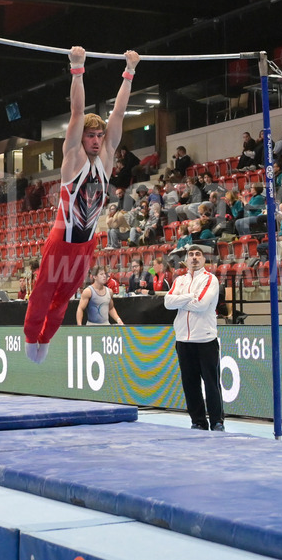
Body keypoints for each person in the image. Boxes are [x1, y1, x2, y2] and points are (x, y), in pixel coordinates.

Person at [24, 47, 140, 364]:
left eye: (99, 136)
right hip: (61, 241)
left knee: (63, 298)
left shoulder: (105, 159)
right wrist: (77, 67)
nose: (97, 140)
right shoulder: (73, 161)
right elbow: (77, 114)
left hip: (85, 245)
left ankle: (45, 338)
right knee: (43, 294)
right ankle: (30, 335)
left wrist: (129, 71)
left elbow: (118, 113)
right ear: (81, 138)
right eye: (91, 136)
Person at [163, 245, 223, 431]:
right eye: (191, 255)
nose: (194, 258)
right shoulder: (179, 280)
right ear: (186, 260)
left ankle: (217, 421)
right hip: (183, 340)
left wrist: (181, 301)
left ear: (204, 260)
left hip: (205, 339)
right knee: (190, 384)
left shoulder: (210, 279)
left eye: (198, 255)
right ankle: (198, 421)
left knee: (211, 384)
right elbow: (167, 302)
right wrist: (190, 296)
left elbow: (202, 304)